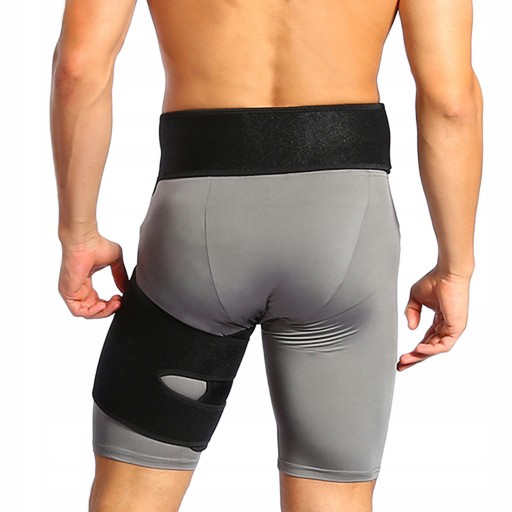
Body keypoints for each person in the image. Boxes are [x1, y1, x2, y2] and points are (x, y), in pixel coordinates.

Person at [49, 0, 483, 511]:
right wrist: (455, 267)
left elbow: (78, 69)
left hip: (196, 224)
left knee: (135, 488)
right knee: (333, 489)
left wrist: (78, 234)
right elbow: (451, 100)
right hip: (344, 227)